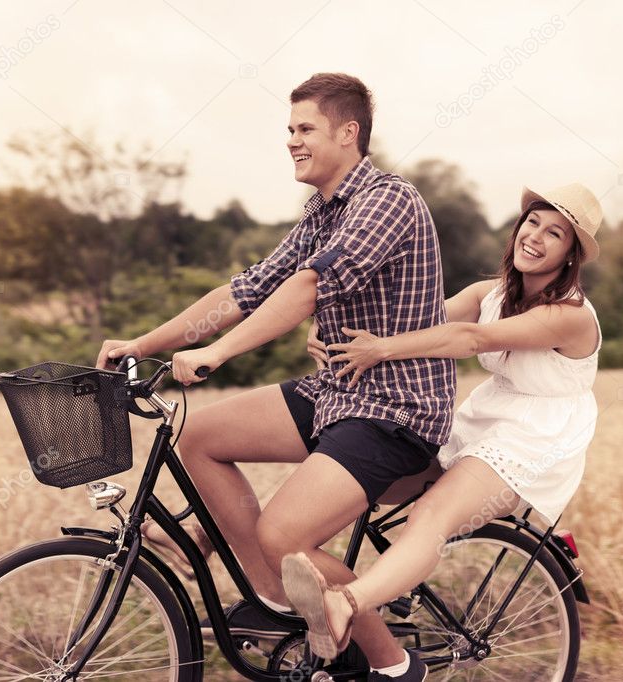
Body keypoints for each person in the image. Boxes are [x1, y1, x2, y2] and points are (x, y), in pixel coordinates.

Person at [97, 72, 453, 681]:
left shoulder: (387, 201)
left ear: (349, 132)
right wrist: (144, 343)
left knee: (284, 534)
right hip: (336, 394)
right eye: (289, 129)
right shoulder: (321, 212)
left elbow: (310, 288)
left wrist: (220, 354)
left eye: (305, 128)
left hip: (394, 411)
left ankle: (395, 667)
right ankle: (277, 602)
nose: (291, 140)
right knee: (200, 438)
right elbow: (244, 291)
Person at [282, 183, 603, 666]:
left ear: (570, 256)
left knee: (429, 517)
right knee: (359, 477)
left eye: (554, 233)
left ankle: (345, 604)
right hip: (484, 417)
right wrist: (329, 325)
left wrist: (380, 351)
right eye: (533, 222)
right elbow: (406, 319)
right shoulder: (489, 293)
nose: (535, 236)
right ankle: (360, 590)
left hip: (533, 439)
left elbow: (469, 339)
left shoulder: (570, 315)